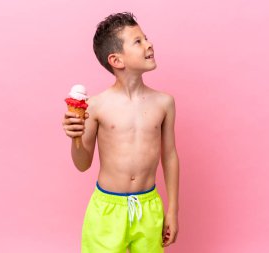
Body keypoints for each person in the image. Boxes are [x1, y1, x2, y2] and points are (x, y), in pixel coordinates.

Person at [63, 12, 179, 253]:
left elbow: (169, 157)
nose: (149, 44)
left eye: (146, 37)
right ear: (116, 60)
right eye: (138, 41)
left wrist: (173, 211)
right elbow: (83, 164)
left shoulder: (164, 103)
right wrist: (75, 137)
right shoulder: (96, 106)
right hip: (107, 210)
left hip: (148, 208)